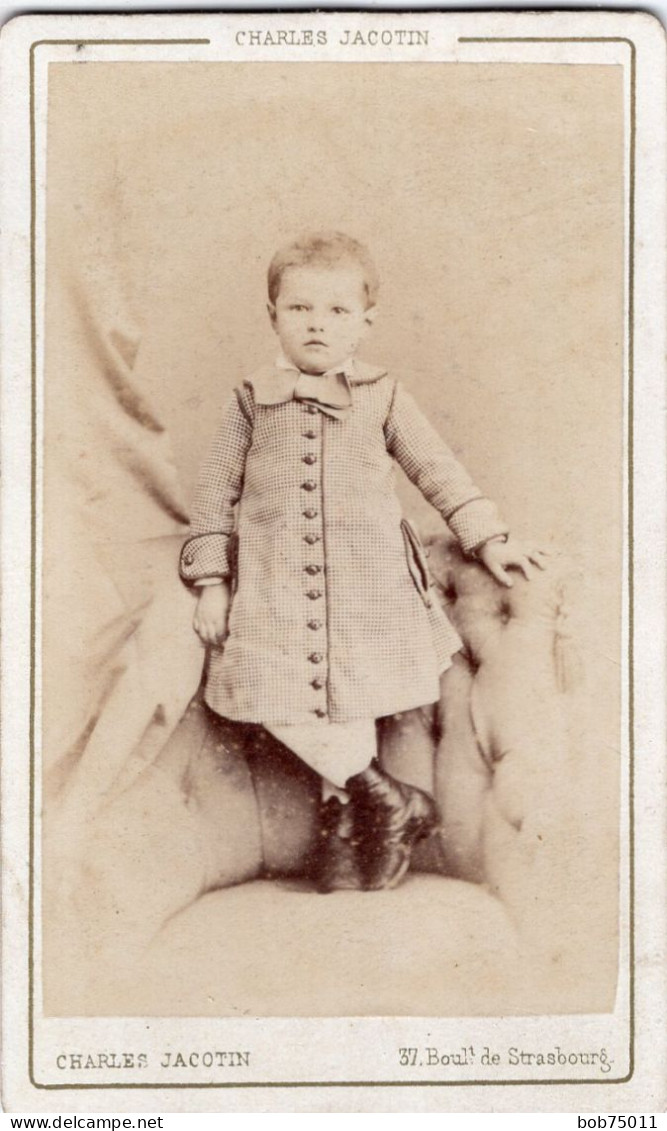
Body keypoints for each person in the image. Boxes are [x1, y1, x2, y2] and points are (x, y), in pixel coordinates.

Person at [179, 231, 547, 893]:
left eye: (337, 311)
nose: (317, 323)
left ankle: (346, 834)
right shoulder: (249, 399)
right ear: (272, 316)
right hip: (275, 590)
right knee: (271, 690)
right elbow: (214, 491)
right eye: (299, 309)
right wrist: (212, 581)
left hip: (367, 586)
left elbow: (439, 473)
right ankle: (390, 799)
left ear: (365, 321)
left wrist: (491, 539)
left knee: (345, 699)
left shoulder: (382, 394)